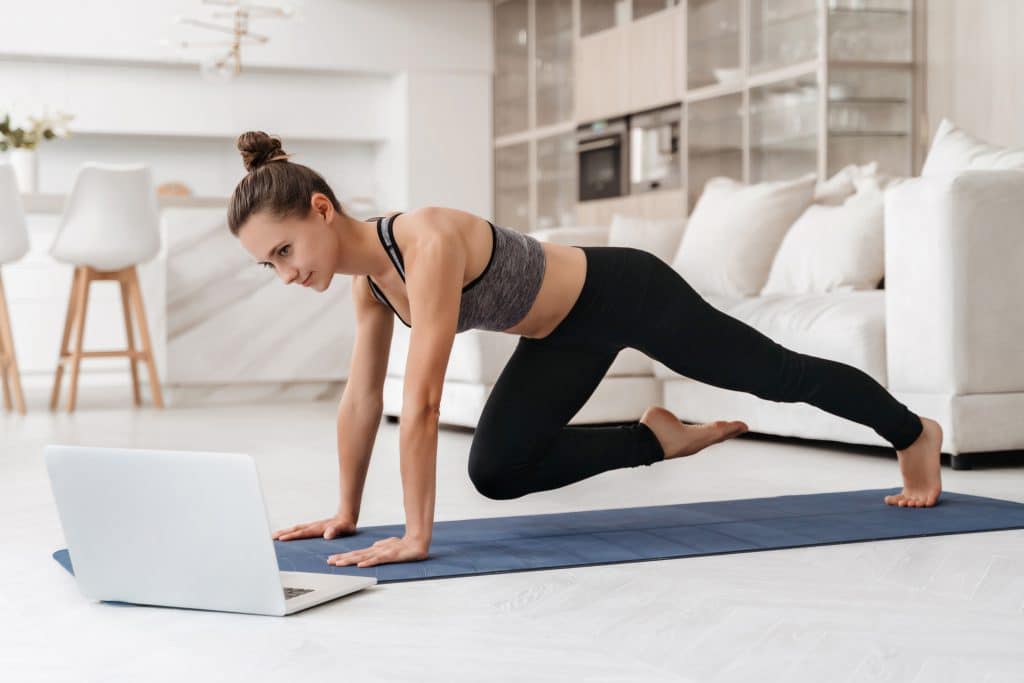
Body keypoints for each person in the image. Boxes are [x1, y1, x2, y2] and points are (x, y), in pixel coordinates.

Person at [228, 131, 943, 569]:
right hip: (560, 335)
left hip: (623, 291)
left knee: (772, 373)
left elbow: (420, 399)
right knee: (497, 469)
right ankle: (653, 438)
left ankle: (913, 432)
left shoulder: (427, 241)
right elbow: (363, 400)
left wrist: (417, 534)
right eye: (271, 264)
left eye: (286, 250)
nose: (288, 273)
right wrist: (346, 510)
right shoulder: (369, 284)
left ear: (322, 209)